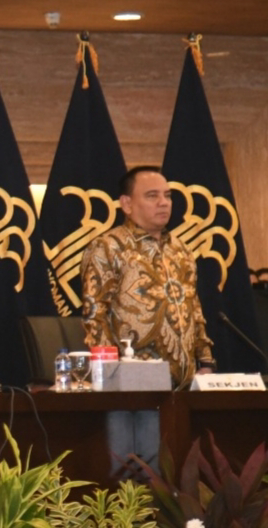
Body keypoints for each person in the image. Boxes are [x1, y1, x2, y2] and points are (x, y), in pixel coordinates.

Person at [81, 165, 215, 389]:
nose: (164, 203)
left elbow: (194, 309)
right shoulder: (108, 247)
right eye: (152, 196)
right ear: (127, 204)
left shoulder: (180, 250)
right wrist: (110, 375)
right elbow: (95, 314)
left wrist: (206, 361)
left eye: (167, 196)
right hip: (132, 384)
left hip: (186, 385)